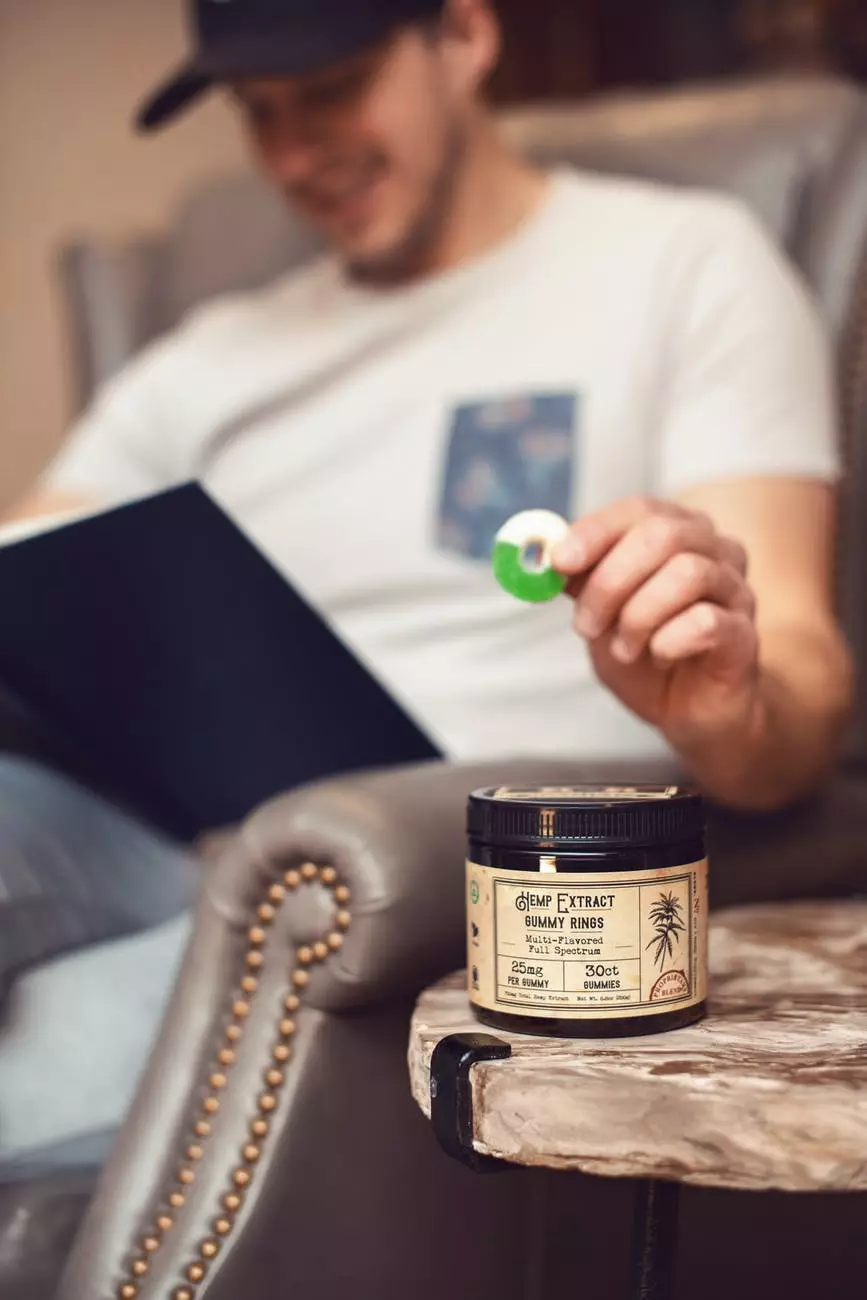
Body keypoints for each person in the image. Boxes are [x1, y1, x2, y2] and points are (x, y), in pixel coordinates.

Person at [0, 0, 851, 1168]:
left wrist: (730, 703)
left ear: (463, 34)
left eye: (334, 87)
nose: (296, 154)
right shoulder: (203, 360)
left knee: (36, 1073)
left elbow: (798, 692)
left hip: (422, 871)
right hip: (169, 822)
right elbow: (30, 561)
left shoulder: (682, 262)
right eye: (261, 115)